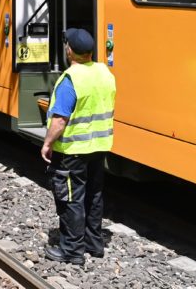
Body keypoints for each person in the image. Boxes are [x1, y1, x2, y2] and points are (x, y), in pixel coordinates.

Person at [41, 28, 116, 265]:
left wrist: (47, 143)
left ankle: (72, 250)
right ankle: (94, 244)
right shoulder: (104, 72)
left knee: (71, 199)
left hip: (73, 151)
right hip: (99, 146)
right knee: (94, 196)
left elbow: (60, 120)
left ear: (70, 51)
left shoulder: (70, 79)